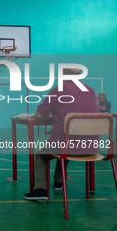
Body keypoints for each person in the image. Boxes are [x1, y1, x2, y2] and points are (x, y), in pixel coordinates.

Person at [24, 68, 99, 200]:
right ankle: (58, 181)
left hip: (66, 145)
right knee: (67, 146)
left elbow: (39, 115)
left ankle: (41, 189)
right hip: (91, 146)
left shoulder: (59, 90)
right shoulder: (91, 90)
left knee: (41, 155)